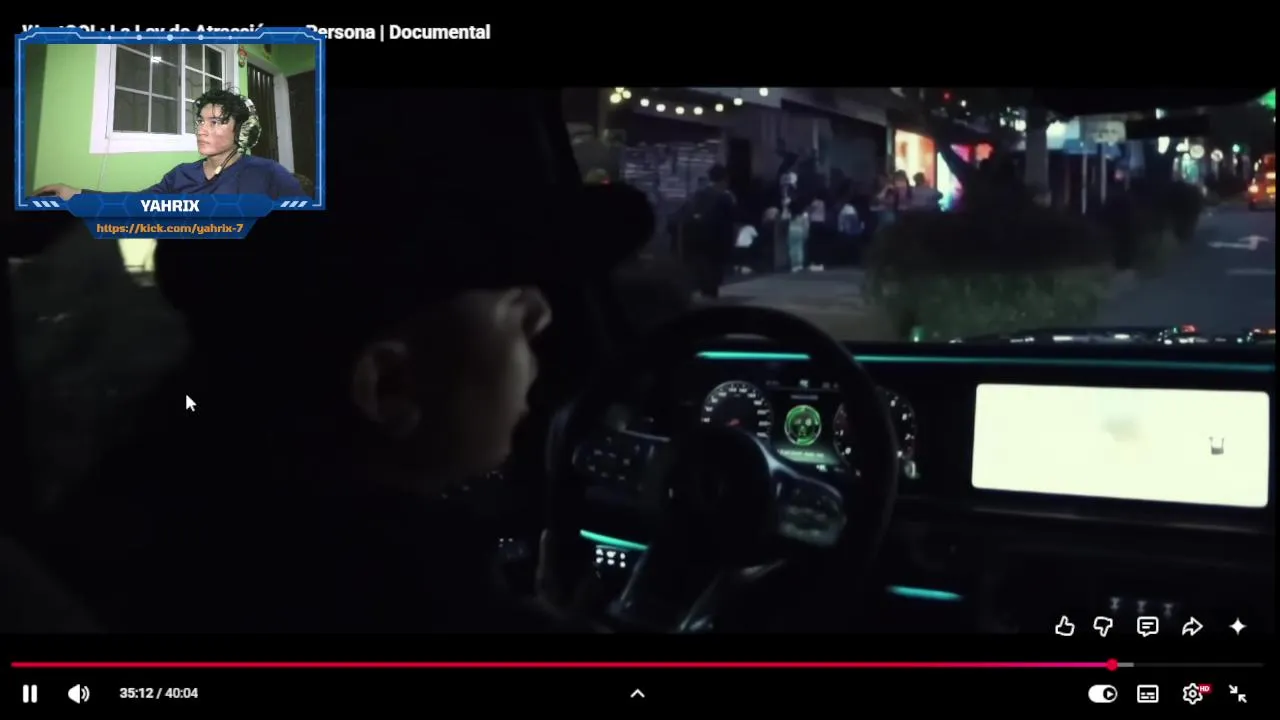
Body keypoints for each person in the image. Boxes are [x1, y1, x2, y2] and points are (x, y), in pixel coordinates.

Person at [34, 181, 656, 633]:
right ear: (389, 386)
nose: (544, 314)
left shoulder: (146, 507)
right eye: (513, 306)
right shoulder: (405, 594)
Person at [34, 88, 304, 202]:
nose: (201, 130)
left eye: (215, 122)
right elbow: (138, 202)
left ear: (241, 130)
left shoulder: (267, 173)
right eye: (200, 121)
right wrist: (75, 194)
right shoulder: (181, 174)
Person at [684, 165, 737, 298]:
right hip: (718, 239)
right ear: (724, 178)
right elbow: (731, 218)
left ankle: (706, 290)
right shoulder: (725, 197)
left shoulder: (700, 194)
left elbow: (693, 213)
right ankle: (711, 291)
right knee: (715, 267)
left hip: (700, 237)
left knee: (704, 266)